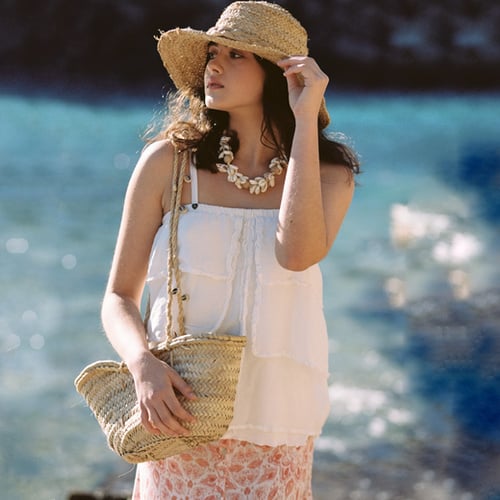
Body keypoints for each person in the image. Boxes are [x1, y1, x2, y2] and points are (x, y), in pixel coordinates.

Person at [101, 1, 359, 498]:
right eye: (212, 53)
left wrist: (305, 121)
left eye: (235, 54)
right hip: (179, 411)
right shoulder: (168, 163)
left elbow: (296, 255)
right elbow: (118, 297)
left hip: (278, 421)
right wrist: (143, 366)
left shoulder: (329, 175)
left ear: (279, 76)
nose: (213, 65)